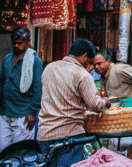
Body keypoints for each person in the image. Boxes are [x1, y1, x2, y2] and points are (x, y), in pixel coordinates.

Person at [38, 39, 111, 167]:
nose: (89, 67)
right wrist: (105, 101)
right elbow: (95, 105)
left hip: (45, 134)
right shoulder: (81, 74)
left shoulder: (49, 68)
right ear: (84, 56)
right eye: (89, 63)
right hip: (69, 135)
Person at [0, 27, 43, 152]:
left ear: (28, 41)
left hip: (23, 113)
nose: (16, 45)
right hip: (5, 111)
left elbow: (38, 88)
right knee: (3, 149)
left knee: (21, 151)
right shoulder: (7, 59)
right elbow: (0, 83)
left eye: (20, 43)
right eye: (14, 43)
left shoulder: (35, 61)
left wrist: (32, 112)